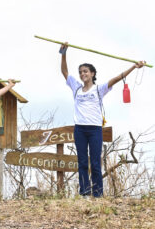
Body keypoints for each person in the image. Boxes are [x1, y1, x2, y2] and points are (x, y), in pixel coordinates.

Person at [60, 43, 145, 197]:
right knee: (83, 163)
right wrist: (63, 53)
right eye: (80, 72)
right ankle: (85, 193)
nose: (82, 74)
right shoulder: (76, 88)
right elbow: (64, 71)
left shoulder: (99, 89)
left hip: (94, 129)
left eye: (85, 71)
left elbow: (118, 78)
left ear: (92, 73)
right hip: (80, 129)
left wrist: (134, 67)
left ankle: (98, 194)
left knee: (95, 163)